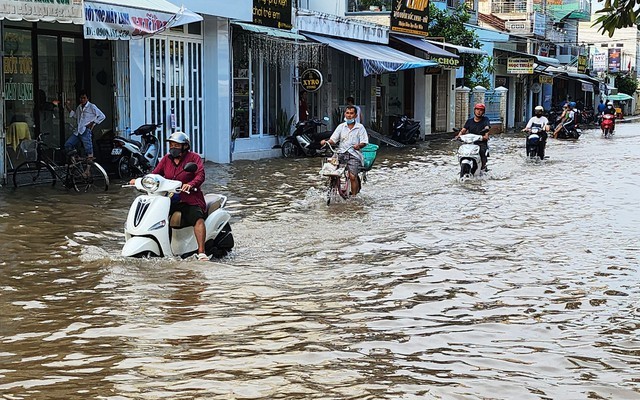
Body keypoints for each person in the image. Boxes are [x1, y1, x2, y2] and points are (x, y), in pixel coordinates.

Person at [129, 131, 209, 261]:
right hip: (169, 198)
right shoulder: (166, 159)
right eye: (171, 145)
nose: (173, 148)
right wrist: (141, 180)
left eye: (176, 145)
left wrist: (190, 184)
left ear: (185, 146)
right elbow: (155, 174)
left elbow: (200, 175)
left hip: (189, 198)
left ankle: (201, 252)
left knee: (197, 218)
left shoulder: (194, 158)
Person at [320, 105, 369, 195]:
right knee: (330, 171)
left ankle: (354, 197)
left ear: (355, 116)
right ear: (344, 115)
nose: (349, 115)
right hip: (340, 154)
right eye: (347, 113)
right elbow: (333, 140)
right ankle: (332, 189)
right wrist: (326, 142)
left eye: (351, 113)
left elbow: (364, 142)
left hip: (354, 155)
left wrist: (359, 145)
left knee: (352, 176)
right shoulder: (341, 127)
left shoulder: (360, 127)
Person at [64, 90, 105, 158]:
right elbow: (76, 116)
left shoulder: (92, 106)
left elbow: (102, 116)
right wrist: (68, 107)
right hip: (78, 131)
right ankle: (76, 161)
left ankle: (88, 168)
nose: (82, 99)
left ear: (87, 98)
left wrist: (93, 122)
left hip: (86, 131)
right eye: (81, 98)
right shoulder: (79, 107)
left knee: (88, 150)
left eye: (84, 98)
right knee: (68, 144)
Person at [455, 103, 491, 171]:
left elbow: (487, 127)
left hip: (481, 143)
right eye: (477, 109)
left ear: (483, 112)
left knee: (482, 151)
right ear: (474, 110)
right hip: (470, 143)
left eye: (481, 110)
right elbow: (463, 130)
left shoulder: (485, 119)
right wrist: (458, 136)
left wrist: (486, 135)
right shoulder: (469, 121)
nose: (479, 111)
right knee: (461, 151)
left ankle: (483, 167)